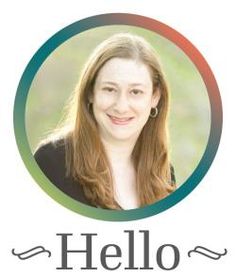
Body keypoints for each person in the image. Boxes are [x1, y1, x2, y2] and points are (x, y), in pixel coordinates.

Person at [34, 33, 176, 210]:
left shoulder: (164, 175)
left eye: (136, 92)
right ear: (90, 92)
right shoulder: (51, 162)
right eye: (109, 89)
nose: (121, 106)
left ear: (155, 97)